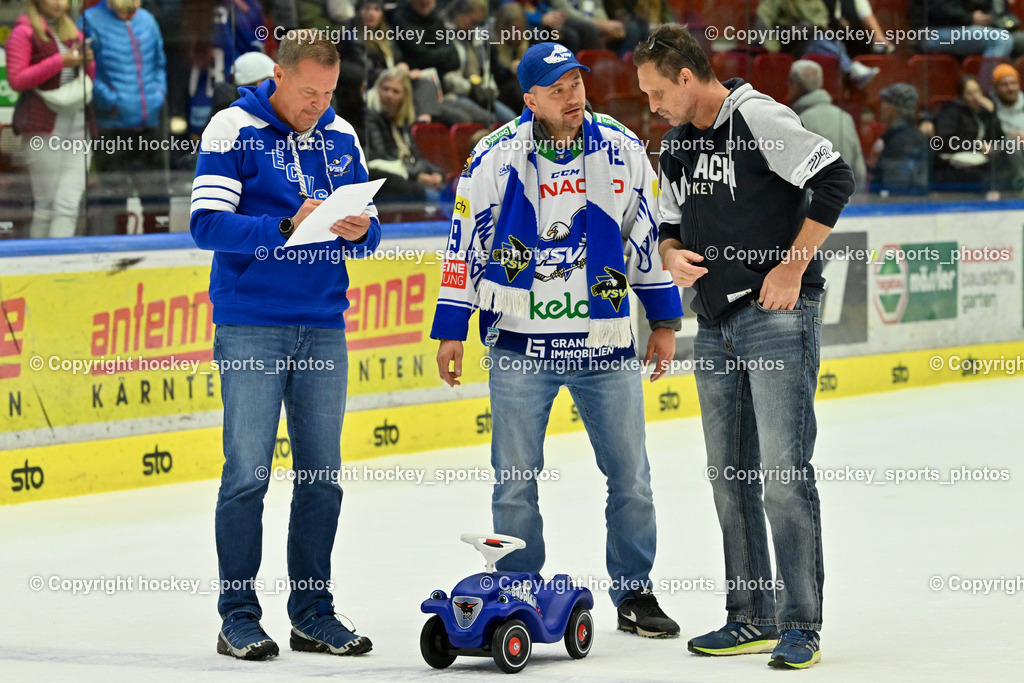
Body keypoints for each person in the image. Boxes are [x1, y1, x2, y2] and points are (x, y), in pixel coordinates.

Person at [431, 42, 684, 639]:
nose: (573, 96)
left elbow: (644, 239)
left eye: (577, 83)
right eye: (557, 88)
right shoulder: (493, 158)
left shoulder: (622, 149)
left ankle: (634, 592)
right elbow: (463, 245)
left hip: (606, 344)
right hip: (521, 346)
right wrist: (450, 329)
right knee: (515, 479)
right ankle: (518, 587)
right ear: (530, 99)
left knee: (632, 478)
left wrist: (666, 321)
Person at [634, 24, 856, 669]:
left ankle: (800, 625)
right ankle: (750, 616)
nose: (651, 107)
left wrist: (791, 265)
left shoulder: (757, 116)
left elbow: (834, 179)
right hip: (716, 322)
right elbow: (669, 226)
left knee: (784, 479)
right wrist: (673, 255)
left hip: (775, 317)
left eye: (655, 93)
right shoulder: (676, 146)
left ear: (686, 77)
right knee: (730, 478)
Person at [190, 29, 380, 661]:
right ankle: (237, 616)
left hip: (324, 319)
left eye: (328, 93)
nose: (318, 105)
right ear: (278, 74)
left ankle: (313, 613)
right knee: (246, 474)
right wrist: (282, 224)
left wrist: (359, 230)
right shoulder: (229, 128)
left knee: (322, 477)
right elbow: (207, 223)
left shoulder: (341, 132)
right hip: (251, 321)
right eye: (307, 93)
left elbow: (370, 235)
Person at [7, 0, 95, 238]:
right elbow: (17, 79)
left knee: (69, 203)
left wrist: (87, 61)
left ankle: (62, 263)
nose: (60, 3)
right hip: (43, 124)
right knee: (46, 205)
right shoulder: (23, 32)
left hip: (78, 122)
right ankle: (39, 265)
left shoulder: (73, 32)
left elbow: (87, 80)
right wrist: (61, 62)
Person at [364, 67, 446, 202]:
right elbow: (383, 158)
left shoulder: (402, 122)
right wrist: (417, 176)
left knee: (446, 190)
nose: (389, 94)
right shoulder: (371, 117)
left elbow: (415, 157)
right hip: (387, 181)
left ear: (405, 96)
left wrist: (436, 173)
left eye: (395, 91)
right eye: (385, 89)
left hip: (406, 176)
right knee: (436, 198)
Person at [788, 60, 866, 190]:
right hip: (845, 203)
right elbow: (859, 173)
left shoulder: (799, 121)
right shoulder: (844, 117)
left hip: (812, 205)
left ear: (795, 86)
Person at [868, 83, 931, 193]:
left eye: (885, 101)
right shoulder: (903, 136)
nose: (881, 106)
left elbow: (896, 188)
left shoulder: (901, 142)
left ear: (894, 108)